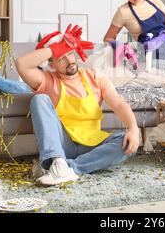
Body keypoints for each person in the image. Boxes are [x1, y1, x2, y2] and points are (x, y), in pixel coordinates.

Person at [16, 25, 139, 186]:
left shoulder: (95, 77)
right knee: (39, 100)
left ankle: (68, 168)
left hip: (92, 144)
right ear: (52, 64)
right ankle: (58, 160)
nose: (69, 61)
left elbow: (119, 104)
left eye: (70, 53)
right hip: (62, 144)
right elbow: (21, 64)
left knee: (125, 142)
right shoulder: (47, 80)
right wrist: (56, 48)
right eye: (61, 58)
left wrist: (134, 128)